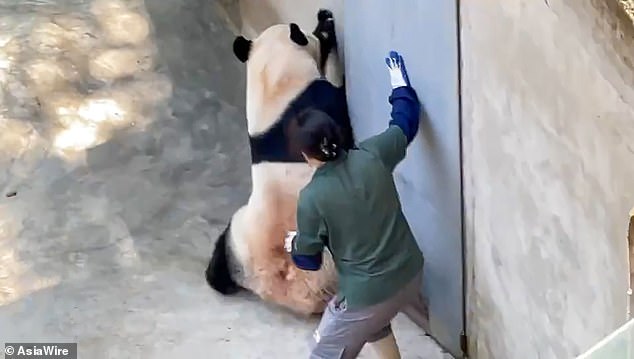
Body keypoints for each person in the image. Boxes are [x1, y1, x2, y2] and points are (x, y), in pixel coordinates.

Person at [284, 50, 427, 359]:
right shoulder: (372, 154)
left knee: (324, 353)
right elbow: (406, 122)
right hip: (410, 274)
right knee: (373, 325)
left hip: (368, 295)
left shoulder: (312, 198)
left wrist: (295, 243)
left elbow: (308, 260)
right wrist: (400, 86)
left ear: (306, 154)